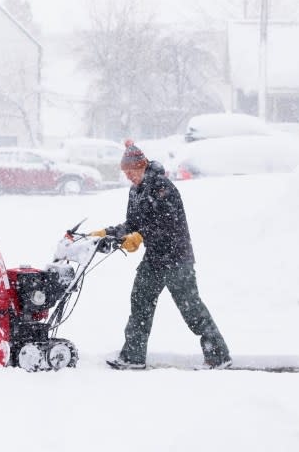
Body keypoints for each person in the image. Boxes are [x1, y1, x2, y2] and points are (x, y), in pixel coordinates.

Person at [91, 140, 231, 370]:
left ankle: (218, 356)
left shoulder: (162, 186)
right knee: (140, 302)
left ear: (142, 165)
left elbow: (166, 223)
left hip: (176, 257)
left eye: (130, 172)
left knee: (191, 308)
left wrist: (139, 236)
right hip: (155, 258)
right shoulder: (135, 191)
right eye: (125, 173)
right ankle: (133, 357)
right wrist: (107, 233)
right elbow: (133, 223)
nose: (128, 177)